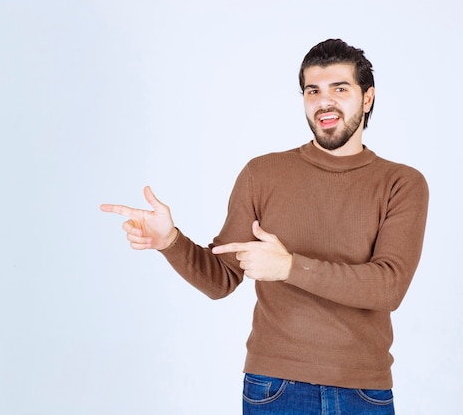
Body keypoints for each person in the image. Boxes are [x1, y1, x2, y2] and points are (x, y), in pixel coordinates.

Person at [100, 39, 429, 414]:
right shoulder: (263, 173)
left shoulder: (401, 183)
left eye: (340, 89)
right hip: (275, 387)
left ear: (367, 98)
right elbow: (222, 278)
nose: (325, 102)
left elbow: (388, 287)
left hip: (363, 391)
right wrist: (170, 241)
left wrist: (289, 267)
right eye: (313, 90)